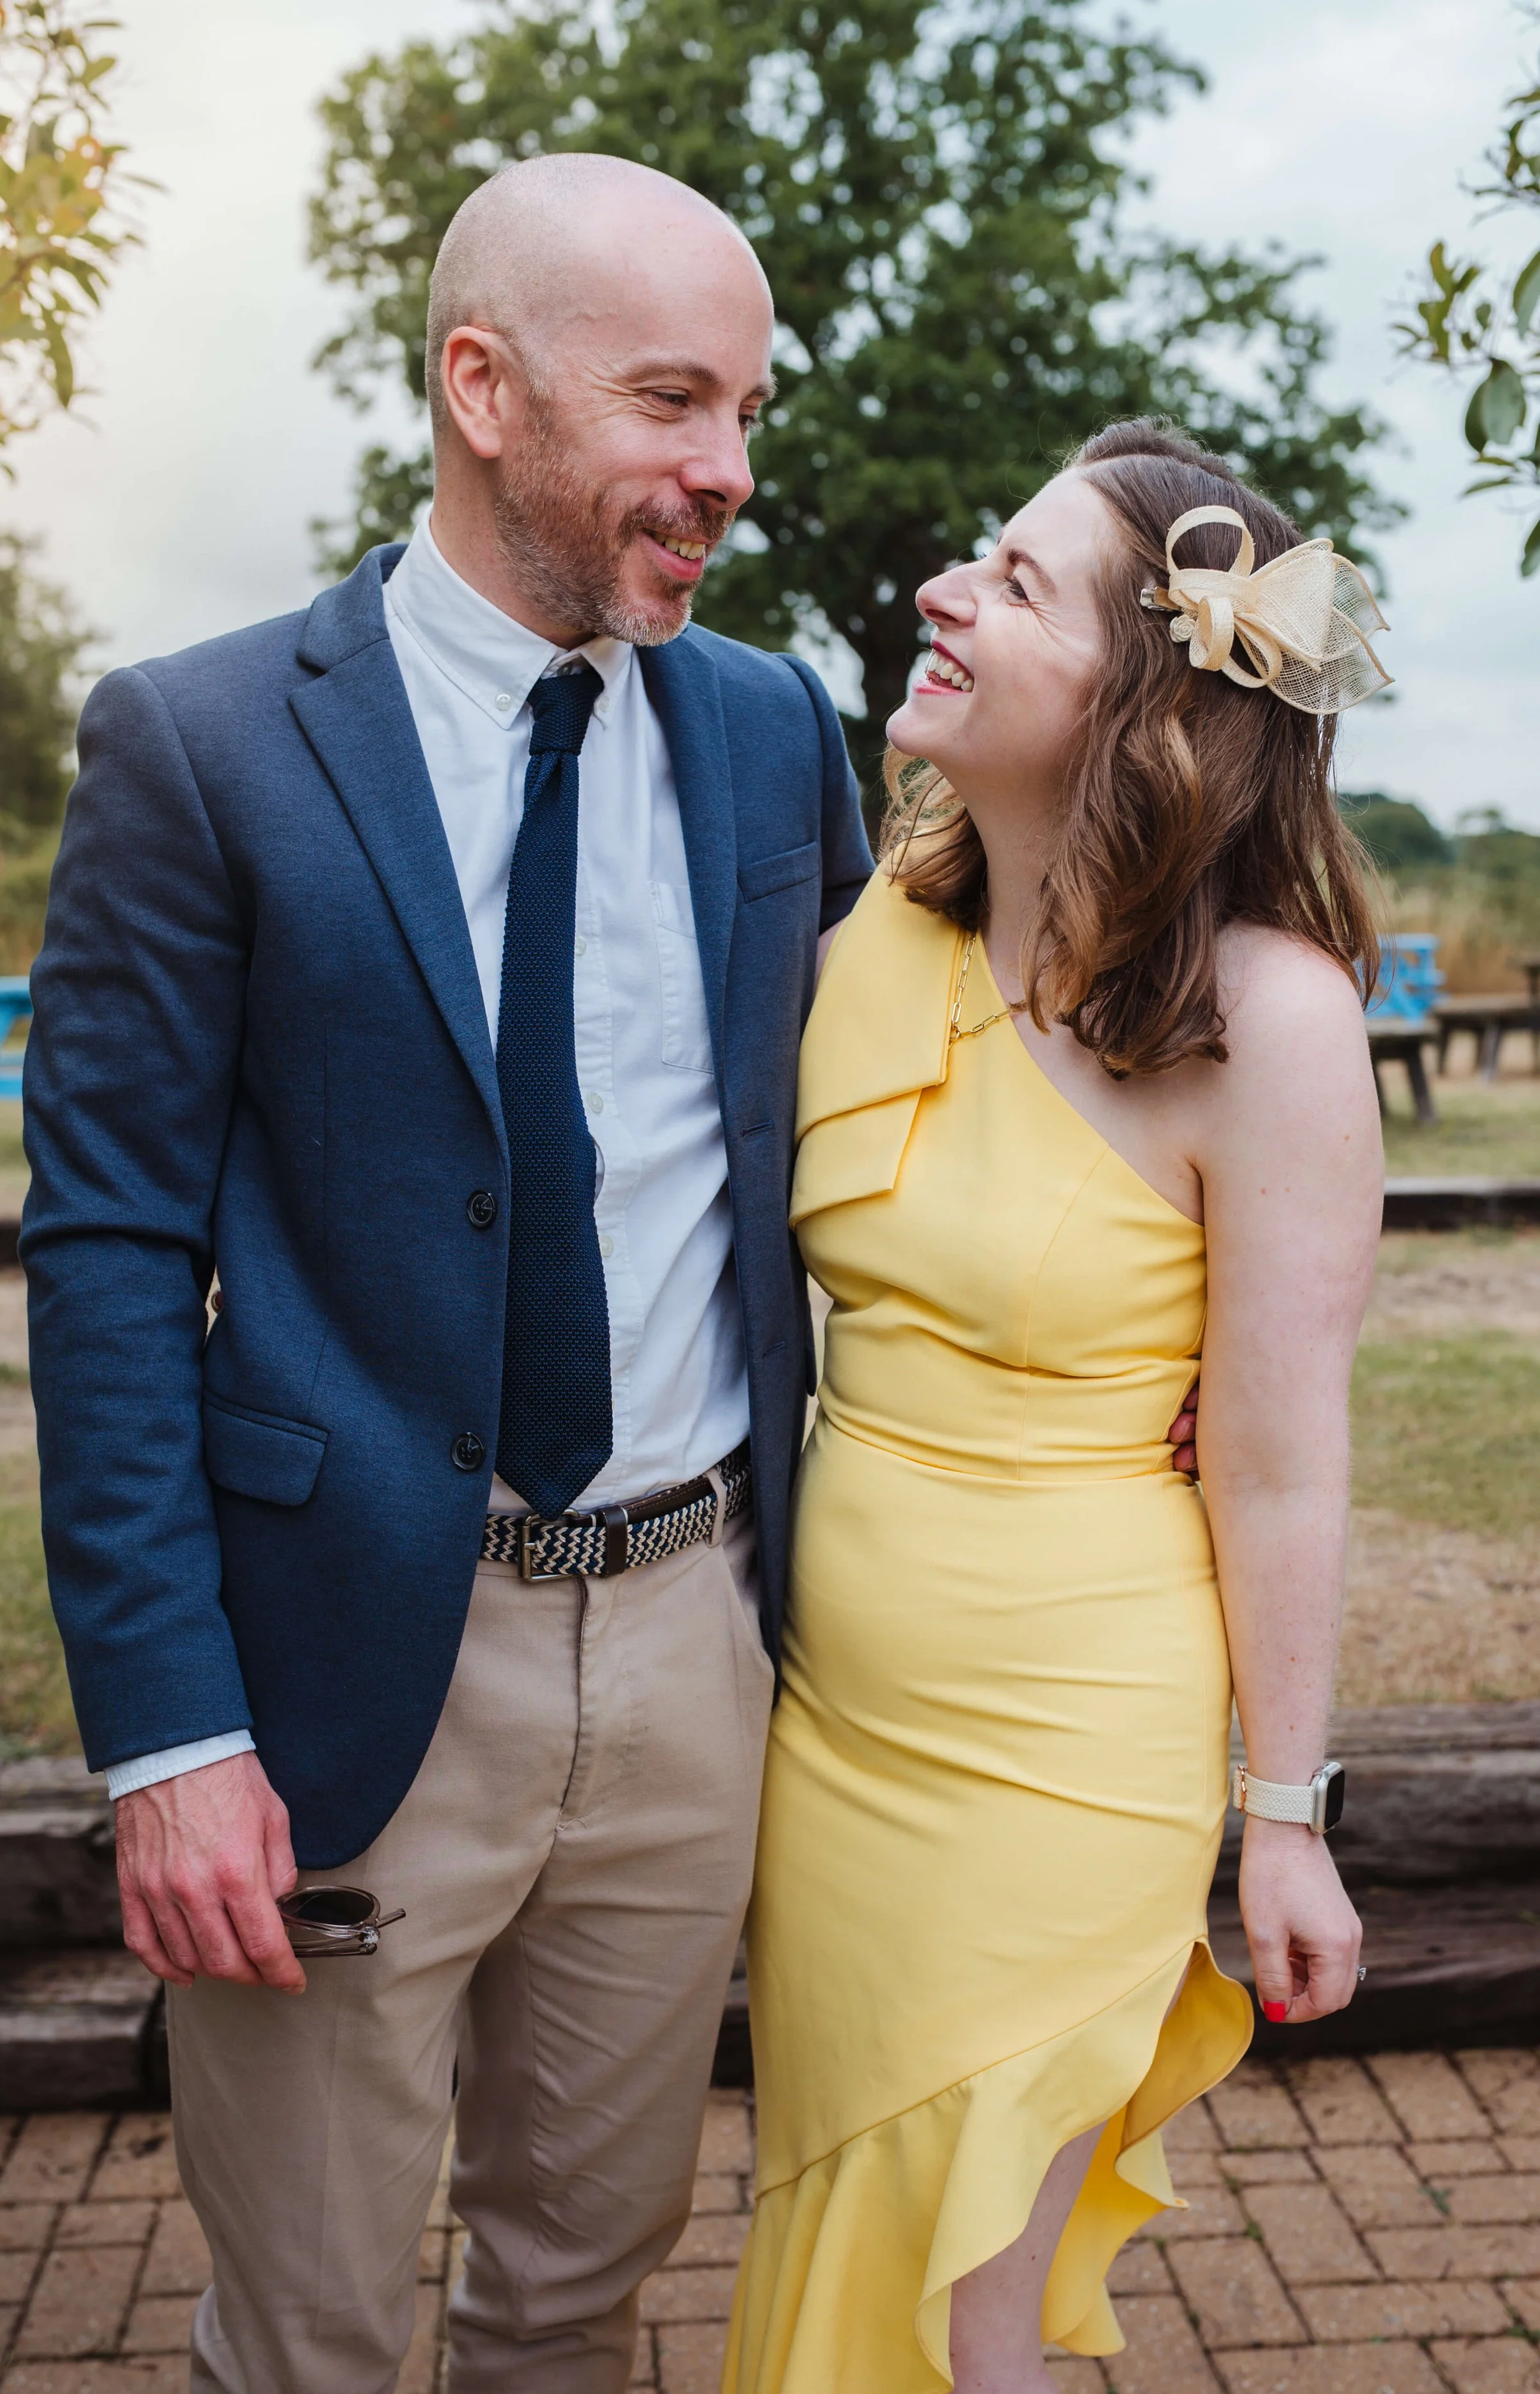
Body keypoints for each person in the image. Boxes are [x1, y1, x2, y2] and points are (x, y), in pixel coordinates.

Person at [20, 153, 876, 2394]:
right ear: (481, 387)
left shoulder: (774, 731)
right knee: (304, 2328)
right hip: (342, 1677)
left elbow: (902, 1113)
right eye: (675, 403)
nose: (731, 473)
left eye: (748, 410)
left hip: (701, 1644)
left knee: (576, 2295)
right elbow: (106, 1247)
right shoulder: (200, 744)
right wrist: (171, 1734)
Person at [723, 421, 1384, 2394]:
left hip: (1068, 1748)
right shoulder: (859, 947)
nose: (943, 588)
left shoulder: (1268, 1021)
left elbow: (1275, 1463)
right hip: (828, 1734)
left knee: (954, 2306)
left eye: (1013, 584)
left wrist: (1285, 1821)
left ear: (1144, 707)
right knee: (829, 2207)